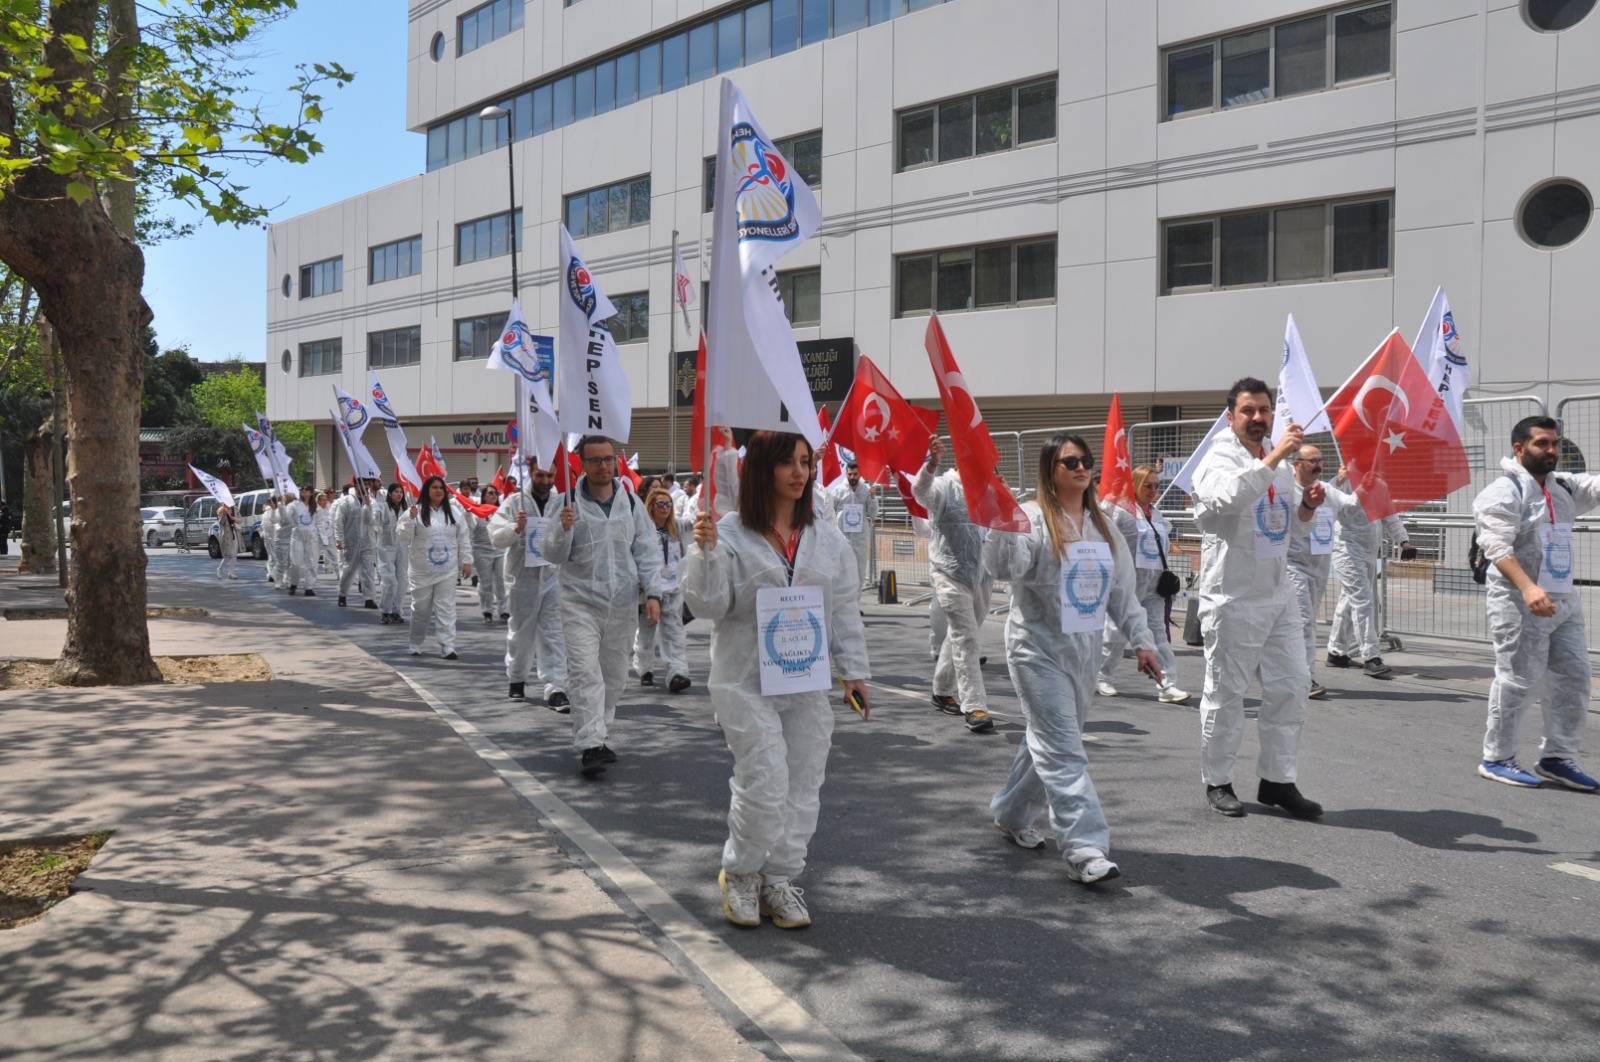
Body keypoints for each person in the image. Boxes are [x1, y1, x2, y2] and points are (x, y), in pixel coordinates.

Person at [683, 431, 870, 929]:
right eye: (787, 463)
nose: (799, 473)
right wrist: (703, 556)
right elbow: (708, 606)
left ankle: (780, 879)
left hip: (805, 682)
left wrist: (853, 671)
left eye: (805, 462)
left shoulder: (827, 538)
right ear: (761, 469)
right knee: (764, 780)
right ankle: (741, 873)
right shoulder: (728, 533)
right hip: (743, 681)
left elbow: (844, 608)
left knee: (804, 784)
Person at [986, 435, 1160, 885]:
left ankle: (1009, 811)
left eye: (1086, 461)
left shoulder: (1104, 528)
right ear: (1051, 470)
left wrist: (1143, 643)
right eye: (1070, 462)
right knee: (1063, 746)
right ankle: (1085, 847)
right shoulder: (1032, 517)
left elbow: (1123, 593)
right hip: (1035, 648)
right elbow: (1006, 566)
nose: (1081, 468)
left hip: (1083, 652)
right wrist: (1002, 520)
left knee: (1046, 739)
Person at [1192, 377, 1322, 819]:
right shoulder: (1219, 458)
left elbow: (1290, 527)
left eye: (1264, 410)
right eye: (1248, 411)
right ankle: (1218, 779)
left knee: (1291, 686)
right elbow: (1227, 498)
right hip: (1233, 597)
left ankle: (1277, 780)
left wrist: (1308, 507)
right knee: (1227, 693)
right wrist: (1275, 456)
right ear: (1231, 417)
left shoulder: (1280, 465)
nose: (1258, 418)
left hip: (1277, 593)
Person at [1473, 416, 1600, 791]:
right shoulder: (1503, 491)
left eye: (1555, 444)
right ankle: (1497, 757)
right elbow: (1495, 546)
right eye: (1542, 444)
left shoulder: (1561, 486)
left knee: (1574, 678)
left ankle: (1557, 757)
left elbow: (1594, 485)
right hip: (1519, 601)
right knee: (1517, 680)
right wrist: (1528, 588)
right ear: (1519, 448)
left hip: (1562, 599)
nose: (1551, 451)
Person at [543, 436, 663, 776]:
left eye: (608, 459)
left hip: (622, 604)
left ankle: (599, 730)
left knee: (613, 675)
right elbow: (552, 554)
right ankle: (590, 744)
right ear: (582, 464)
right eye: (595, 460)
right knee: (585, 673)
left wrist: (653, 593)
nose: (603, 466)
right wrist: (562, 529)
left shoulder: (630, 502)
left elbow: (647, 549)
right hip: (579, 601)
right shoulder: (566, 502)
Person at [913, 437, 996, 734]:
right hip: (949, 574)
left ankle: (941, 689)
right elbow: (921, 492)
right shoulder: (946, 485)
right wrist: (931, 464)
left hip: (982, 576)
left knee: (962, 635)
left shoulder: (989, 489)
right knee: (967, 638)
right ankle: (974, 705)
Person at [1095, 466, 1190, 705]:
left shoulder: (1156, 515)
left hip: (1154, 585)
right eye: (1148, 485)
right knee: (1116, 632)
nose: (1153, 490)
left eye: (1156, 486)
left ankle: (1167, 684)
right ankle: (1101, 675)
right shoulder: (1123, 512)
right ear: (1135, 485)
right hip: (1127, 583)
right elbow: (1101, 523)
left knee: (1158, 634)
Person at [489, 459, 570, 709]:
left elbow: (577, 538)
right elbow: (495, 536)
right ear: (531, 474)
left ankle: (555, 686)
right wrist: (516, 527)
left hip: (553, 577)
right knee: (521, 632)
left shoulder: (562, 503)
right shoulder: (515, 502)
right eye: (540, 475)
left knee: (554, 633)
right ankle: (516, 679)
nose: (545, 481)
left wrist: (568, 526)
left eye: (549, 476)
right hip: (522, 578)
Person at [1325, 466, 1415, 678]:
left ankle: (1336, 651)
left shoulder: (1379, 485)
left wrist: (1404, 541)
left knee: (1349, 600)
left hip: (1369, 551)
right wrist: (1340, 482)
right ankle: (1371, 655)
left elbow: (1389, 515)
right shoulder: (1340, 482)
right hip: (1346, 549)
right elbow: (1332, 504)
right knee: (1363, 600)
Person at [1285, 445, 1351, 699]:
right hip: (1293, 567)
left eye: (1320, 460)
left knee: (1302, 622)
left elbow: (1351, 505)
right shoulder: (1286, 491)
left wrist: (1367, 485)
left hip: (1319, 569)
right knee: (1303, 624)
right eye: (1312, 461)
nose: (1318, 465)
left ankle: (1285, 669)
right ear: (1296, 463)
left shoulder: (1328, 490)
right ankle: (1306, 677)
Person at [397, 475, 473, 659]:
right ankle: (415, 643)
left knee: (446, 607)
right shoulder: (415, 511)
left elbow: (463, 537)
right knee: (421, 609)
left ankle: (448, 646)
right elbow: (402, 537)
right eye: (434, 487)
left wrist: (467, 560)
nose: (438, 490)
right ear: (427, 491)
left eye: (441, 487)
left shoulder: (454, 512)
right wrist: (409, 520)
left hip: (447, 570)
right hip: (421, 570)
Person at [634, 485, 692, 693]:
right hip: (650, 591)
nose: (665, 508)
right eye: (660, 504)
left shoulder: (678, 528)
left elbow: (700, 520)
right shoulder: (643, 529)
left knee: (674, 633)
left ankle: (677, 672)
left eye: (668, 504)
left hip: (673, 590)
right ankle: (645, 668)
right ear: (651, 506)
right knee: (647, 633)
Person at [829, 461, 877, 596]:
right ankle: (842, 604)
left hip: (860, 539)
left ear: (859, 474)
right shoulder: (838, 490)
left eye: (855, 474)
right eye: (850, 474)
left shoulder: (867, 490)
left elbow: (873, 513)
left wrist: (873, 497)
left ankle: (854, 606)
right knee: (842, 573)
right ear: (846, 474)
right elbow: (830, 512)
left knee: (859, 572)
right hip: (842, 538)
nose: (852, 477)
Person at [335, 481, 380, 609]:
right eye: (362, 485)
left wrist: (368, 506)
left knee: (368, 571)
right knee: (348, 570)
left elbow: (372, 521)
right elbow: (338, 520)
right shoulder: (346, 501)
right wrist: (339, 539)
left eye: (367, 486)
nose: (365, 488)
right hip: (351, 541)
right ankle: (342, 594)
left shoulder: (372, 501)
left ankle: (369, 598)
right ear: (356, 486)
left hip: (368, 542)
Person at [371, 483, 409, 625]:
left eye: (401, 492)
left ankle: (396, 611)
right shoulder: (382, 507)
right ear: (390, 494)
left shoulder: (406, 509)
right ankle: (385, 611)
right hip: (386, 549)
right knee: (389, 582)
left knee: (402, 582)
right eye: (396, 492)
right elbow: (374, 522)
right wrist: (370, 507)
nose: (399, 494)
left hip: (402, 548)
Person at [470, 484, 508, 623]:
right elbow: (470, 528)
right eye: (490, 493)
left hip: (500, 550)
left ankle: (504, 610)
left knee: (502, 581)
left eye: (495, 493)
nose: (493, 496)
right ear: (484, 496)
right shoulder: (476, 511)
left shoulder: (502, 511)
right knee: (486, 583)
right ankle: (487, 611)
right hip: (481, 551)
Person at [285, 485, 320, 596]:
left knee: (312, 562)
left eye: (305, 490)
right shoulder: (294, 505)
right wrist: (282, 506)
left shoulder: (315, 506)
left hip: (311, 538)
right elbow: (286, 518)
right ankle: (293, 584)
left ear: (310, 492)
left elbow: (318, 522)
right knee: (296, 563)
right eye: (301, 490)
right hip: (297, 537)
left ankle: (309, 587)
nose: (302, 492)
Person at [215, 503, 241, 580]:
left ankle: (231, 573)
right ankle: (220, 569)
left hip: (234, 534)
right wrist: (225, 513)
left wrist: (232, 517)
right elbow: (221, 522)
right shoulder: (221, 511)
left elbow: (240, 520)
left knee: (234, 555)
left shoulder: (235, 509)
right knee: (228, 555)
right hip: (226, 536)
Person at [314, 490, 336, 576]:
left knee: (334, 555)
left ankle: (340, 575)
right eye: (322, 499)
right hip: (318, 536)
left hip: (329, 534)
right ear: (318, 501)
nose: (324, 501)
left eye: (325, 499)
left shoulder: (329, 508)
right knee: (315, 557)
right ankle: (312, 578)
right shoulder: (315, 510)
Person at [260, 496, 279, 583]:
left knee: (273, 557)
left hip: (273, 537)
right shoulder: (269, 512)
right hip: (270, 537)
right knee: (274, 557)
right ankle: (271, 573)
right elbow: (271, 523)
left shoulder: (272, 511)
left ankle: (270, 572)